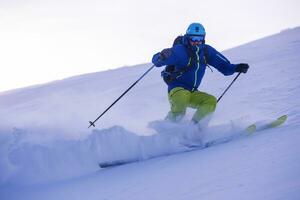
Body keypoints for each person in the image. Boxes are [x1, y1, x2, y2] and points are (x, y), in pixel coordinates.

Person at [152, 22, 249, 128]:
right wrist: (161, 56)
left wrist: (236, 68)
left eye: (200, 38)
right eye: (194, 39)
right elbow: (156, 61)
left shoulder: (206, 51)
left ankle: (194, 130)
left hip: (192, 91)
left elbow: (224, 66)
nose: (197, 42)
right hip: (176, 89)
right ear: (188, 38)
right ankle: (167, 130)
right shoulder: (180, 50)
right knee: (182, 98)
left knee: (210, 101)